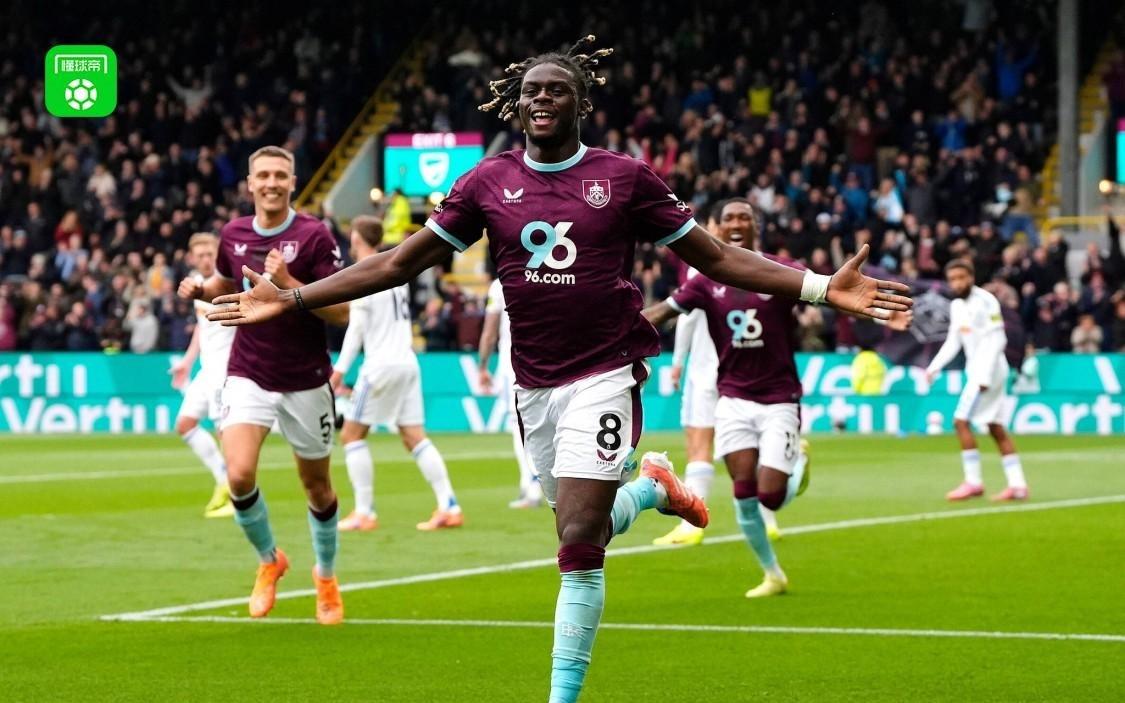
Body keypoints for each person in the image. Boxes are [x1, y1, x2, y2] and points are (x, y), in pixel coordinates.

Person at [208, 37, 910, 702]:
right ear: (516, 106)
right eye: (531, 91)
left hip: (605, 372)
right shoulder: (487, 182)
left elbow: (718, 258)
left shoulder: (623, 178)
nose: (541, 98)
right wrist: (293, 298)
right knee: (583, 522)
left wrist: (820, 286)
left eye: (556, 90)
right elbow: (397, 261)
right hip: (534, 383)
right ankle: (653, 488)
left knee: (577, 541)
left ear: (581, 103)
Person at [181, 145, 351, 625]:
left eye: (280, 175)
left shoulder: (314, 235)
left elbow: (341, 311)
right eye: (264, 175)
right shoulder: (232, 234)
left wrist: (289, 281)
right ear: (250, 184)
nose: (272, 183)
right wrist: (202, 289)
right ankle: (269, 559)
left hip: (305, 379)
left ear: (292, 183)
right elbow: (224, 283)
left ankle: (325, 576)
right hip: (249, 371)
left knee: (317, 487)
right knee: (238, 475)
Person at [330, 216, 464, 531]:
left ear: (357, 239)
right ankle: (449, 505)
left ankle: (364, 512)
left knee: (351, 435)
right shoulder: (393, 268)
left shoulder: (363, 274)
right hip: (407, 361)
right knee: (414, 436)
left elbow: (356, 330)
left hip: (381, 366)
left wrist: (338, 372)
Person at [654, 206, 778, 546]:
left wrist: (678, 361)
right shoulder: (763, 265)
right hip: (739, 368)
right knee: (748, 448)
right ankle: (767, 520)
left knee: (700, 444)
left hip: (709, 368)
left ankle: (693, 526)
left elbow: (685, 317)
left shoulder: (703, 267)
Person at [925, 259, 1028, 502]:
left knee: (960, 421)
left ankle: (973, 482)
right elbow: (954, 340)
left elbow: (998, 339)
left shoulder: (986, 300)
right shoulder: (957, 305)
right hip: (980, 371)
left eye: (961, 277)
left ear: (971, 277)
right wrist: (934, 367)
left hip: (989, 371)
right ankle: (1018, 485)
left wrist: (984, 375)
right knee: (995, 427)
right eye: (952, 279)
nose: (957, 283)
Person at [171, 233, 237, 518]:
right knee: (185, 424)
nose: (206, 260)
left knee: (227, 433)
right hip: (206, 370)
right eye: (200, 256)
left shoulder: (229, 283)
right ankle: (223, 479)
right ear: (192, 259)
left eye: (210, 254)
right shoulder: (196, 284)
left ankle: (237, 494)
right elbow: (202, 325)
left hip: (227, 370)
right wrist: (187, 362)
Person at [479, 274, 544, 508]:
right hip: (546, 362)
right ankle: (542, 482)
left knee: (519, 426)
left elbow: (489, 333)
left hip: (514, 366)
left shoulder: (500, 284)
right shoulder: (545, 278)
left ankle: (532, 485)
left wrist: (483, 366)